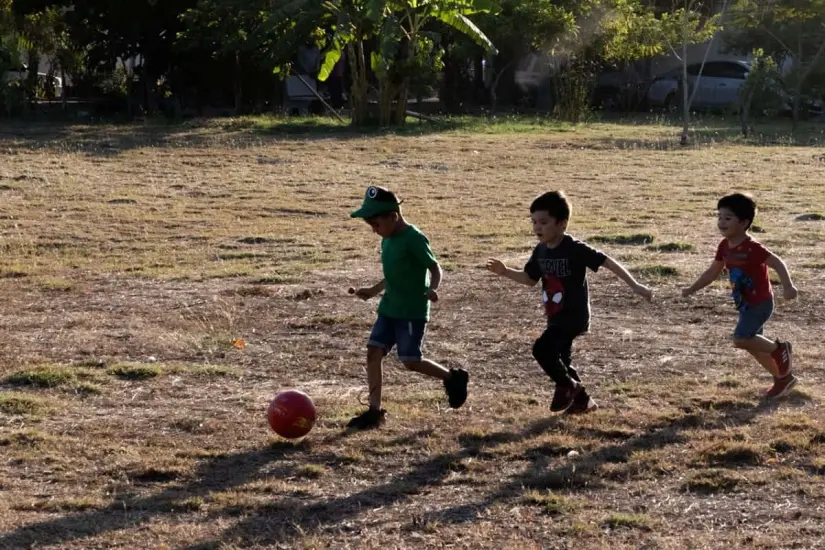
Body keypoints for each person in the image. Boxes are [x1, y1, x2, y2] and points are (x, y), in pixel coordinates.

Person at [487, 190, 653, 413]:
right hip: (555, 315)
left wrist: (635, 286)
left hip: (573, 314)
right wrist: (505, 271)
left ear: (562, 223)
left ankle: (569, 386)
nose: (537, 227)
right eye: (534, 222)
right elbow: (529, 279)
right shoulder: (541, 250)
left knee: (542, 349)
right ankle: (583, 401)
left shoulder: (573, 248)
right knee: (561, 361)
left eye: (544, 222)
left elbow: (607, 262)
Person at [348, 186, 469, 429]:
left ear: (393, 216)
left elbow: (435, 268)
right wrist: (372, 290)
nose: (374, 230)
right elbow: (392, 274)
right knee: (373, 352)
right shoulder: (388, 239)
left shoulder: (414, 238)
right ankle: (374, 411)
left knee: (410, 360)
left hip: (411, 312)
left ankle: (453, 378)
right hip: (389, 309)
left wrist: (433, 288)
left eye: (376, 224)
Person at [682, 192, 798, 398]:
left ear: (744, 222)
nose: (721, 222)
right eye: (719, 216)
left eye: (728, 218)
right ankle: (783, 379)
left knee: (741, 339)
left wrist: (787, 287)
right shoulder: (724, 246)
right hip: (745, 304)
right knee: (753, 346)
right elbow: (712, 272)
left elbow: (777, 262)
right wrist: (692, 288)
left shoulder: (752, 247)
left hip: (760, 303)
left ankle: (780, 349)